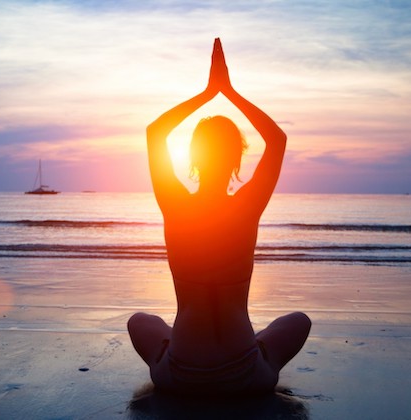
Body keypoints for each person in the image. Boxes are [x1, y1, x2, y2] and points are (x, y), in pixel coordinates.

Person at [127, 38, 311, 396]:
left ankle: (168, 354)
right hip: (243, 375)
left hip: (181, 375)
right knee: (298, 321)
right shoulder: (247, 207)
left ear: (193, 158)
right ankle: (259, 352)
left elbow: (155, 133)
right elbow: (276, 139)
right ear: (237, 160)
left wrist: (208, 92)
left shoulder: (175, 204)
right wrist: (230, 91)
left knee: (140, 322)